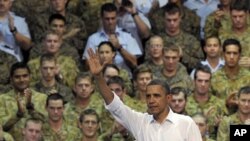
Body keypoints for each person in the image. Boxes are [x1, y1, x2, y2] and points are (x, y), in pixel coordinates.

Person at [86, 48, 202, 141]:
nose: (151, 100)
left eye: (156, 96)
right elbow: (115, 105)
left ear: (168, 98)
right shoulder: (140, 122)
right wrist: (98, 77)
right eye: (148, 96)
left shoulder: (186, 123)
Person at [83, 3, 142, 74]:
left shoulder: (127, 36)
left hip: (124, 78)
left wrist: (119, 48)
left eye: (113, 18)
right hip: (101, 78)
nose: (110, 22)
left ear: (117, 17)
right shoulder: (93, 39)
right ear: (101, 18)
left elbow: (134, 63)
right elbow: (87, 66)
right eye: (107, 19)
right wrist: (102, 59)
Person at [0, 62, 47, 141]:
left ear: (30, 77)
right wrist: (18, 115)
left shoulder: (42, 98)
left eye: (25, 76)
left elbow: (48, 124)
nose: (21, 80)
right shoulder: (2, 99)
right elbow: (1, 127)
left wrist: (31, 109)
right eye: (17, 77)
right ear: (11, 79)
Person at [185, 65, 228, 139]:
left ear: (210, 82)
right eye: (200, 80)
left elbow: (226, 129)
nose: (203, 84)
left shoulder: (219, 104)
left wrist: (220, 125)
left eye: (206, 81)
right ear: (194, 81)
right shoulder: (185, 103)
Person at [159, 3, 204, 71]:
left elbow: (201, 63)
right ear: (164, 20)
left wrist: (183, 56)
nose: (172, 23)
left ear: (180, 19)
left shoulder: (191, 40)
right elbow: (149, 64)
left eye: (175, 20)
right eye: (169, 20)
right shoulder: (157, 41)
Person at [218, 1, 250, 68]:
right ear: (230, 15)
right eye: (234, 16)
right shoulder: (223, 33)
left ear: (247, 14)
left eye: (241, 16)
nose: (238, 20)